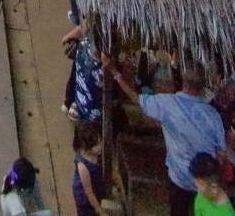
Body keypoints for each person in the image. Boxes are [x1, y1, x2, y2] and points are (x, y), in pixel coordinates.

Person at [104, 57, 226, 216]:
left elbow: (136, 98)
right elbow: (221, 156)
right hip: (206, 183)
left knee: (178, 211)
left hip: (180, 179)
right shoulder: (214, 116)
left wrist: (115, 72)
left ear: (183, 82)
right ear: (203, 88)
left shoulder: (169, 104)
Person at [73, 121, 105, 216]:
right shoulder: (82, 166)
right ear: (86, 147)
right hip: (84, 197)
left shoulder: (96, 154)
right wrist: (101, 211)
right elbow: (89, 193)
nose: (100, 146)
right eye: (96, 145)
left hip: (95, 185)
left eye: (100, 142)